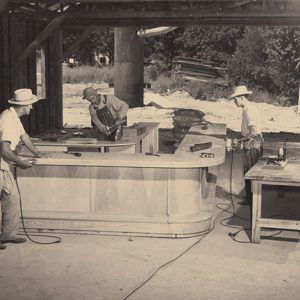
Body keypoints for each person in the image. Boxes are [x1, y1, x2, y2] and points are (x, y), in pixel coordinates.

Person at [0, 88, 42, 250]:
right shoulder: (8, 121)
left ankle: (7, 234)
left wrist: (37, 153)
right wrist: (22, 163)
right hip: (1, 166)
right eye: (30, 105)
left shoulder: (14, 116)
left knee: (12, 199)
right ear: (23, 106)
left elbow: (24, 137)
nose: (31, 108)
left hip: (4, 166)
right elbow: (4, 150)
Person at [229, 85, 263, 205]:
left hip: (254, 143)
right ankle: (250, 198)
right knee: (247, 171)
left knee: (250, 172)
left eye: (236, 99)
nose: (234, 102)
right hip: (251, 142)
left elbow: (254, 132)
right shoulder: (247, 109)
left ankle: (252, 200)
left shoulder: (250, 111)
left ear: (242, 97)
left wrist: (240, 140)